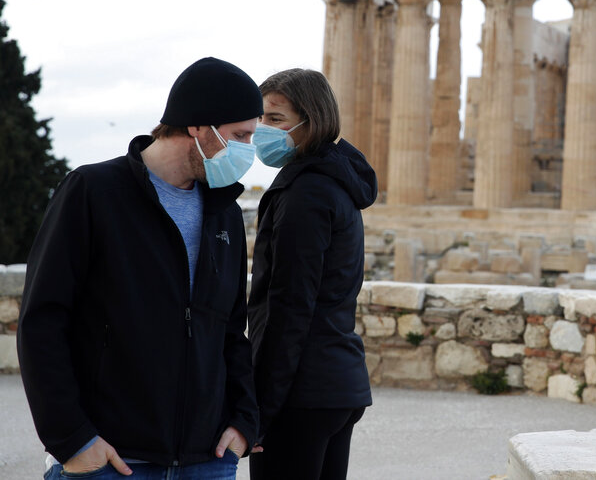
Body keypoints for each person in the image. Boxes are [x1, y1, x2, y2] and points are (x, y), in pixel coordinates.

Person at [18, 57, 261, 479]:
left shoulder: (225, 213)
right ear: (197, 126)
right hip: (110, 461)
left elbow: (229, 331)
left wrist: (244, 420)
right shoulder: (92, 193)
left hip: (206, 462)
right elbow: (42, 322)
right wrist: (72, 439)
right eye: (240, 136)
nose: (247, 151)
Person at [247, 69, 377, 480]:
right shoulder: (337, 185)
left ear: (311, 120)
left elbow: (289, 308)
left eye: (275, 119)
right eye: (261, 118)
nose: (260, 131)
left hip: (301, 393)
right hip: (338, 383)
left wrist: (260, 408)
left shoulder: (305, 194)